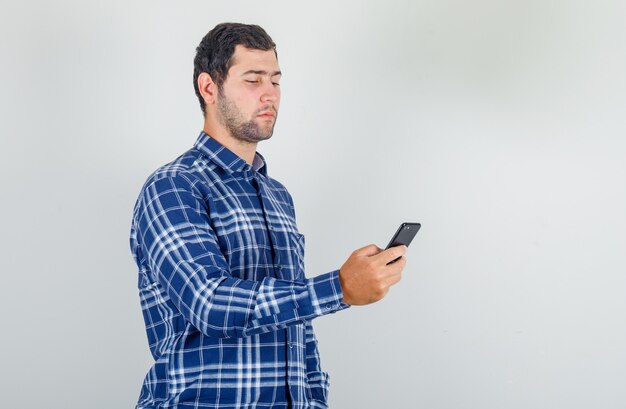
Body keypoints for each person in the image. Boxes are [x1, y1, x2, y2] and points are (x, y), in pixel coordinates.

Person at [129, 22, 407, 409]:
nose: (269, 95)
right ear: (209, 88)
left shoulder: (278, 197)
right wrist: (339, 288)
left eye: (275, 81)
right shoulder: (174, 187)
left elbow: (298, 332)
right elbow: (209, 304)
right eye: (253, 80)